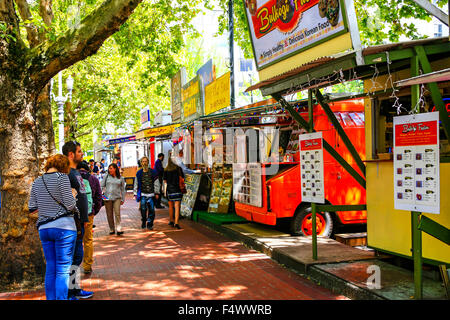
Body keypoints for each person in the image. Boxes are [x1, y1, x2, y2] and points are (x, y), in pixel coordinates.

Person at [28, 154, 78, 300]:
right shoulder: (62, 178)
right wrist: (73, 194)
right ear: (64, 166)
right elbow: (70, 205)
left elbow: (32, 207)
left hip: (44, 228)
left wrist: (47, 206)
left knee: (50, 268)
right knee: (63, 268)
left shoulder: (37, 181)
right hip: (64, 227)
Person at [62, 141, 93, 300]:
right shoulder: (66, 174)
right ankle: (69, 291)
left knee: (77, 256)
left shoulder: (75, 172)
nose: (82, 154)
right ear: (71, 154)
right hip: (71, 222)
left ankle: (74, 289)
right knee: (73, 256)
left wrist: (85, 218)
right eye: (79, 151)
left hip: (79, 222)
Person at [77, 160, 102, 274]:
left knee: (76, 240)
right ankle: (87, 265)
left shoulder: (72, 177)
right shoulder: (93, 179)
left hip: (75, 215)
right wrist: (93, 211)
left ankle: (75, 266)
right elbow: (98, 198)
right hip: (89, 213)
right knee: (88, 240)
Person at [101, 163, 126, 235]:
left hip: (117, 198)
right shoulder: (106, 176)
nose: (110, 170)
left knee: (117, 213)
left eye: (111, 168)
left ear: (115, 169)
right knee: (109, 214)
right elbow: (101, 186)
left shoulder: (121, 178)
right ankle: (111, 228)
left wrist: (123, 199)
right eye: (109, 168)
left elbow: (123, 190)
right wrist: (103, 196)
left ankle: (118, 228)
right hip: (107, 198)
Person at [134, 156, 156, 230]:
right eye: (143, 161)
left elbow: (156, 182)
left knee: (152, 210)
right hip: (143, 194)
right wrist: (135, 193)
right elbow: (136, 183)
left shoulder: (152, 172)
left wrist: (157, 192)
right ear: (141, 163)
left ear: (148, 162)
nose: (144, 163)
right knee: (143, 210)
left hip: (151, 194)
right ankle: (144, 221)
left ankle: (150, 223)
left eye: (145, 161)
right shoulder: (139, 173)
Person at [163, 155, 184, 229]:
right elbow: (182, 178)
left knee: (170, 206)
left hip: (169, 189)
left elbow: (165, 181)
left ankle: (171, 220)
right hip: (177, 189)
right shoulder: (178, 169)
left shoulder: (166, 170)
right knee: (177, 206)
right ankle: (176, 222)